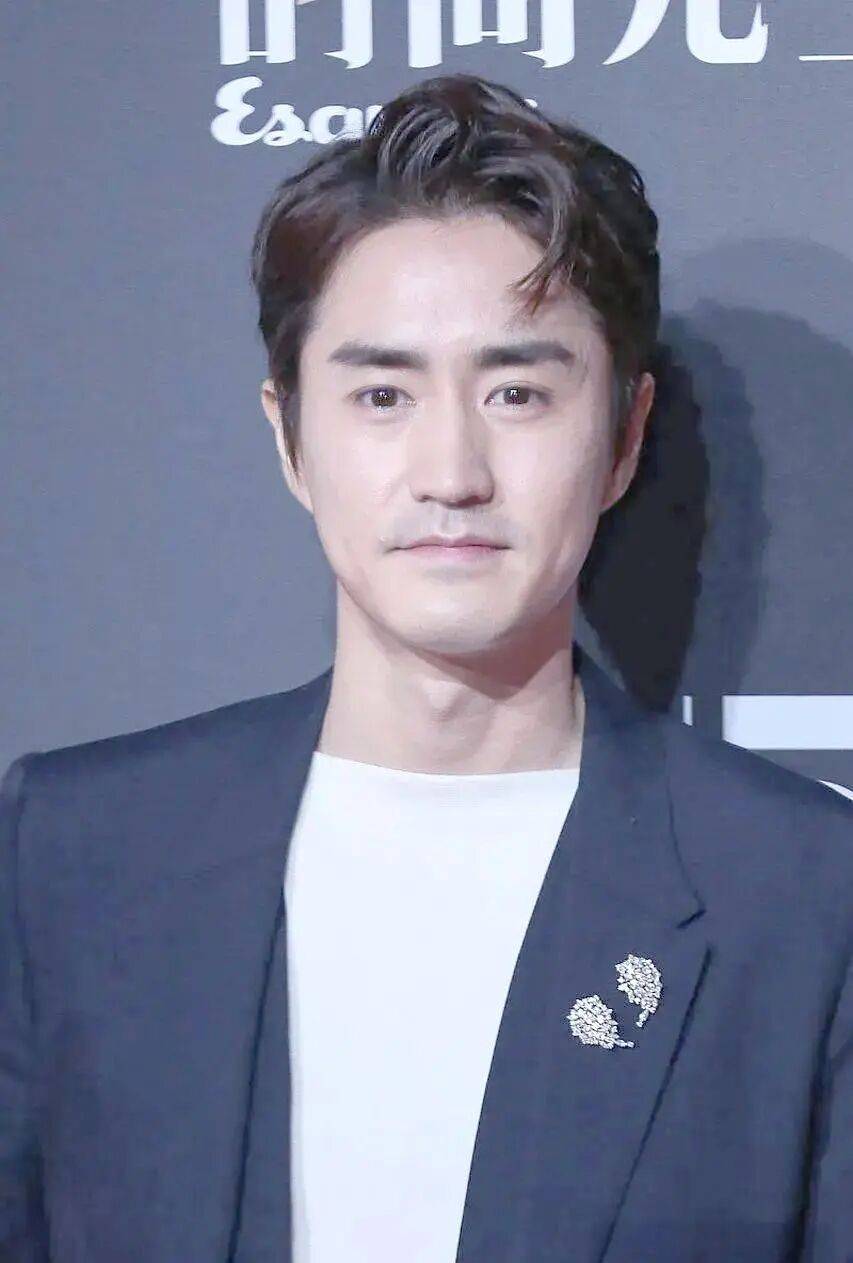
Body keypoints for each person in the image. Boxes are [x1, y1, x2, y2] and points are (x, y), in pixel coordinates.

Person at [1, 72, 851, 1263]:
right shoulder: (76, 852)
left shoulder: (800, 894)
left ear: (623, 437)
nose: (451, 471)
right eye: (382, 394)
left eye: (516, 392)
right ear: (290, 436)